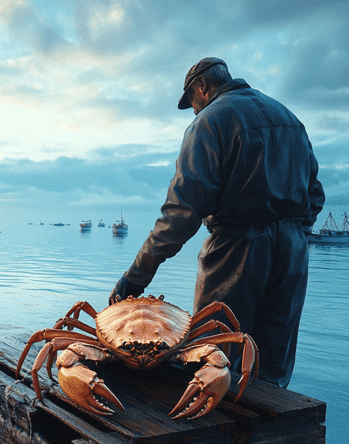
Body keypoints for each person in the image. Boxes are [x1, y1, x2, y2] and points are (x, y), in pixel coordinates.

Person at [109, 57, 325, 388]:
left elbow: (181, 213)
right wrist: (292, 233)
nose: (194, 110)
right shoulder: (289, 118)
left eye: (192, 103)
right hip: (294, 251)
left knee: (212, 354)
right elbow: (315, 195)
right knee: (274, 362)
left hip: (235, 248)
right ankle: (269, 430)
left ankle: (208, 431)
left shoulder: (210, 122)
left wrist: (135, 277)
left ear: (201, 88)